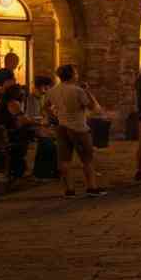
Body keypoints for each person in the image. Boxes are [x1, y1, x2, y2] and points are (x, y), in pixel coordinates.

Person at [44, 64, 105, 198]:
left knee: (65, 160)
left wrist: (54, 116)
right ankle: (92, 187)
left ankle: (69, 189)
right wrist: (88, 91)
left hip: (61, 126)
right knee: (87, 159)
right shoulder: (77, 91)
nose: (77, 75)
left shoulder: (53, 90)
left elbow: (46, 106)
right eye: (75, 73)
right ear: (71, 75)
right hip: (78, 127)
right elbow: (94, 108)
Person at [0, 83, 38, 189]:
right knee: (32, 141)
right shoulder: (13, 103)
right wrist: (36, 121)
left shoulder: (1, 104)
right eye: (21, 92)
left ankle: (19, 173)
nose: (23, 94)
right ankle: (20, 174)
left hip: (2, 135)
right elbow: (23, 119)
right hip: (11, 135)